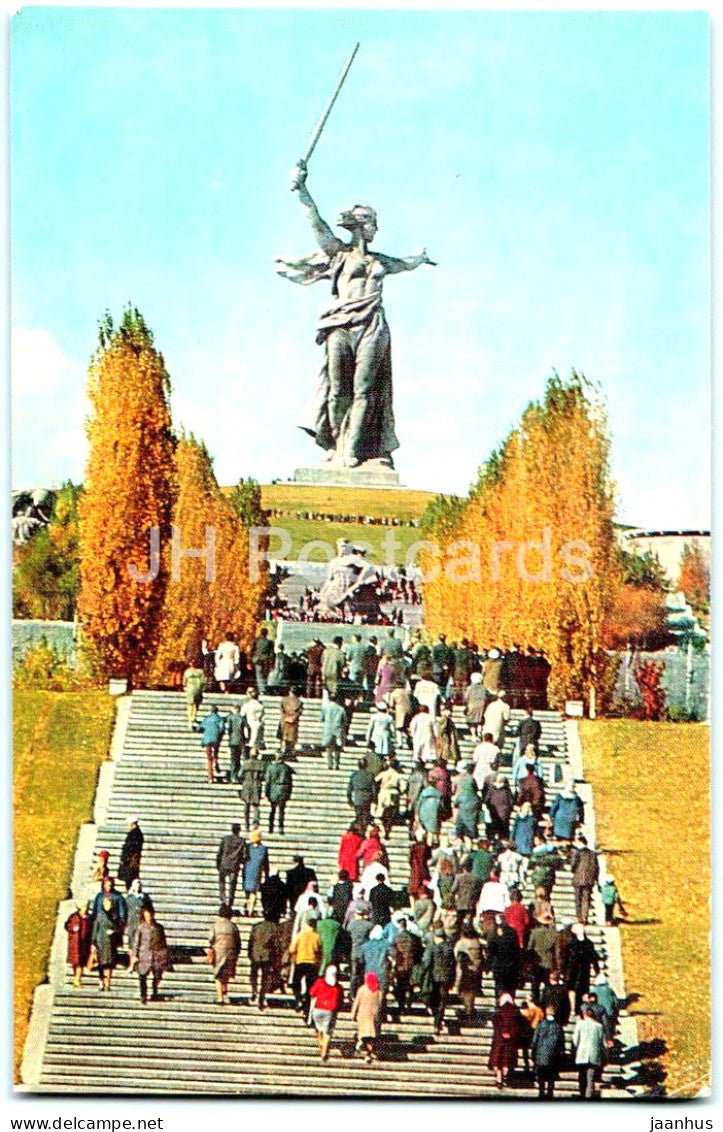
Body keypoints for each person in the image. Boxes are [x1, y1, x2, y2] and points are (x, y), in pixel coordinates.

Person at [129, 905, 170, 1004]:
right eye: (146, 916)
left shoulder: (159, 927)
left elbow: (163, 942)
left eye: (150, 915)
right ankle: (143, 995)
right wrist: (134, 956)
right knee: (142, 976)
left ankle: (155, 992)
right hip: (144, 955)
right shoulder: (140, 927)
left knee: (157, 975)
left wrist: (165, 955)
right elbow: (136, 943)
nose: (148, 917)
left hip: (157, 954)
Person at [91, 881, 126, 993]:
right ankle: (101, 981)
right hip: (100, 941)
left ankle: (108, 983)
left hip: (111, 942)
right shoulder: (99, 915)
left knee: (110, 963)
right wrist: (93, 943)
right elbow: (95, 928)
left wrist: (115, 931)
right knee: (101, 963)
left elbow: (120, 923)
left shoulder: (115, 916)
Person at [309, 965, 344, 1062]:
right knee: (328, 1032)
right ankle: (324, 1050)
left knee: (318, 1028)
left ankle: (321, 1043)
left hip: (317, 1009)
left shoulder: (319, 982)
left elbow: (312, 993)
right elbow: (341, 1001)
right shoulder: (338, 987)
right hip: (330, 1011)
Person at [208, 903, 241, 1005]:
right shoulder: (233, 926)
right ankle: (225, 993)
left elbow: (211, 938)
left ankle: (220, 997)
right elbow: (238, 941)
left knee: (218, 974)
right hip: (231, 952)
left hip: (219, 952)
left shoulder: (215, 925)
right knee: (226, 974)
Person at [572, 1005, 607, 1098]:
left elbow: (575, 1041)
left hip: (582, 1054)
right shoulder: (599, 1026)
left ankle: (582, 1094)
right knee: (590, 1079)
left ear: (584, 1014)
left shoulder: (579, 1024)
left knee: (581, 1076)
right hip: (594, 1055)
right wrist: (604, 1056)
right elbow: (603, 1044)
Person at [288, 918, 322, 1015]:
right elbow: (320, 951)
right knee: (309, 986)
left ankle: (298, 999)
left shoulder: (300, 935)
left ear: (307, 925)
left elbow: (292, 949)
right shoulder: (317, 937)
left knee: (295, 983)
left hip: (300, 961)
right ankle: (306, 1008)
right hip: (312, 963)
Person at [489, 993, 522, 1090]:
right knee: (508, 1060)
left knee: (499, 1061)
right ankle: (508, 1077)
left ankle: (499, 1080)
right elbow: (518, 1026)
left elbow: (495, 1023)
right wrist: (511, 1034)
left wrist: (502, 1032)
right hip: (511, 1041)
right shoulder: (516, 1011)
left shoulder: (498, 1011)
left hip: (499, 1040)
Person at [531, 1006, 566, 1098]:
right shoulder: (558, 1027)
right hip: (553, 1056)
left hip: (541, 1055)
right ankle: (550, 1093)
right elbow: (561, 1043)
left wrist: (534, 1054)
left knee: (541, 1078)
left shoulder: (540, 1025)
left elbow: (534, 1041)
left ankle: (541, 1093)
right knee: (551, 1078)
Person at [427, 928, 456, 1035]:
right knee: (442, 1001)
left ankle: (436, 1020)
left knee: (435, 999)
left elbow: (427, 963)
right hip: (446, 978)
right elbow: (453, 965)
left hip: (434, 978)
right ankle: (438, 1021)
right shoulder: (449, 948)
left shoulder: (433, 948)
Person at [567, 923, 601, 1014]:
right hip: (573, 969)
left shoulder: (588, 943)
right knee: (572, 989)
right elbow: (566, 957)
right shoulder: (571, 943)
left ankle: (583, 1008)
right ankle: (573, 1008)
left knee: (583, 989)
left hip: (583, 969)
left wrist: (597, 971)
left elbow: (593, 957)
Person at [351, 972, 384, 1064]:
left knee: (364, 1036)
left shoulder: (362, 989)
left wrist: (353, 1014)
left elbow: (356, 1002)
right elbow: (380, 1004)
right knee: (370, 1037)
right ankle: (369, 1053)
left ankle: (368, 1053)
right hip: (373, 1017)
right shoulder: (378, 991)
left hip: (363, 1016)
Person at [248, 912, 279, 1010]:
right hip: (267, 956)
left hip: (255, 954)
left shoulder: (256, 926)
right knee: (265, 978)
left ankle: (254, 989)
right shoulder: (274, 927)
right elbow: (276, 944)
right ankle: (261, 997)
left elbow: (251, 940)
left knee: (253, 974)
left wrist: (249, 952)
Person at [390, 917, 422, 1014]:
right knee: (409, 985)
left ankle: (401, 1005)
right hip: (411, 964)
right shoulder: (413, 937)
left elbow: (393, 951)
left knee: (400, 986)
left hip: (400, 965)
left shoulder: (396, 938)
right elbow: (418, 951)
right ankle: (409, 1003)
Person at [454, 924, 483, 1023]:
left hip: (466, 971)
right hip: (477, 970)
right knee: (472, 993)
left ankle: (468, 1012)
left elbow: (457, 958)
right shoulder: (477, 942)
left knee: (465, 993)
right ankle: (470, 1009)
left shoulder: (461, 943)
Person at [216, 823, 246, 909]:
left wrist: (218, 863)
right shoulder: (242, 841)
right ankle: (230, 903)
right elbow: (244, 855)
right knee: (232, 886)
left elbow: (219, 853)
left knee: (222, 882)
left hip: (224, 864)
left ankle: (223, 900)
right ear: (239, 830)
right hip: (234, 866)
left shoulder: (225, 839)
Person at [571, 835, 600, 925]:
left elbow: (573, 865)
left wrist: (573, 871)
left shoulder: (577, 853)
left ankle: (578, 917)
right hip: (589, 880)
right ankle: (584, 917)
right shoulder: (593, 854)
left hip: (578, 879)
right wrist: (595, 878)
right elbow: (597, 867)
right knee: (586, 899)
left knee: (578, 899)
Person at [374, 756, 405, 838]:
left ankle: (383, 829)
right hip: (393, 792)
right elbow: (403, 787)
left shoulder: (384, 773)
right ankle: (388, 828)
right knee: (390, 813)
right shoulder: (398, 775)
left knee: (381, 812)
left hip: (384, 791)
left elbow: (375, 780)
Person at [264, 750, 294, 835]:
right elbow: (290, 782)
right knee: (281, 810)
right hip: (283, 790)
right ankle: (281, 828)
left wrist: (266, 793)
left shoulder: (270, 768)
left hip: (273, 790)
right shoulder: (286, 768)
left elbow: (267, 782)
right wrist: (289, 793)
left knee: (272, 810)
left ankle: (271, 827)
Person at [194, 705, 226, 783]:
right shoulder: (220, 719)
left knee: (209, 759)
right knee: (215, 753)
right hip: (216, 740)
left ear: (210, 711)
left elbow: (199, 728)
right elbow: (222, 728)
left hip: (207, 740)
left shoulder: (206, 719)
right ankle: (216, 762)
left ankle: (210, 777)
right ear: (217, 711)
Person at [243, 828, 270, 917]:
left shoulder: (247, 847)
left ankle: (248, 907)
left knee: (247, 890)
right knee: (253, 892)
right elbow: (266, 863)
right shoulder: (263, 849)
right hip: (257, 871)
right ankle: (251, 910)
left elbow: (244, 858)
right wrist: (266, 874)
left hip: (247, 870)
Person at [65, 901, 93, 987]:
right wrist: (72, 930)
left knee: (80, 963)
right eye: (84, 907)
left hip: (84, 943)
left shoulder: (89, 918)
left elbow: (91, 928)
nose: (86, 908)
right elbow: (66, 926)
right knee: (76, 962)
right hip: (75, 943)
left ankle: (77, 979)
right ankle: (76, 979)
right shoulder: (74, 917)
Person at [238, 751, 265, 833]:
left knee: (246, 805)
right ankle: (256, 824)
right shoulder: (261, 764)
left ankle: (246, 825)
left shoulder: (246, 764)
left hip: (246, 785)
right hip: (256, 785)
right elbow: (263, 776)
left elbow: (239, 775)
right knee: (256, 806)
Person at [347, 758, 376, 830]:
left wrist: (349, 799)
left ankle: (359, 831)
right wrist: (374, 799)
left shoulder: (354, 775)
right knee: (366, 816)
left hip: (358, 798)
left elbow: (349, 789)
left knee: (358, 816)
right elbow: (374, 789)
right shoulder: (370, 775)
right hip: (367, 797)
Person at [117, 816, 144, 891]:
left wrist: (124, 859)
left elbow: (131, 849)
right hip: (131, 860)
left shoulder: (134, 834)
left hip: (130, 861)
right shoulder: (136, 833)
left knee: (129, 878)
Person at [322, 694, 347, 770]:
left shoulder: (325, 708)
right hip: (337, 729)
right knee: (337, 747)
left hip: (328, 729)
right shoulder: (341, 709)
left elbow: (321, 718)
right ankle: (336, 764)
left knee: (328, 747)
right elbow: (345, 720)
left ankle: (330, 764)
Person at [240, 687, 265, 758]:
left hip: (249, 725)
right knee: (256, 742)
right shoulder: (260, 706)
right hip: (258, 724)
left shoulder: (247, 705)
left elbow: (242, 715)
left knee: (250, 742)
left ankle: (248, 756)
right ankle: (255, 755)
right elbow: (263, 718)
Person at [279, 686, 303, 757]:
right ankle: (290, 752)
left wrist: (285, 717)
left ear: (290, 692)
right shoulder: (299, 702)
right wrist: (293, 718)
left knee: (284, 737)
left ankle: (284, 751)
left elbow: (281, 710)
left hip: (285, 721)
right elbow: (299, 712)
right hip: (293, 722)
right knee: (292, 738)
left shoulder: (283, 700)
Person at [225, 703, 246, 783]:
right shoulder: (242, 718)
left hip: (233, 740)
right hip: (240, 741)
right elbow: (246, 729)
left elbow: (229, 729)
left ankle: (233, 776)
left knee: (233, 759)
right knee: (238, 758)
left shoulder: (231, 718)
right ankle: (238, 775)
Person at [251, 627, 275, 694]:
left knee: (259, 675)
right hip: (266, 660)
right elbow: (272, 653)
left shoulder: (256, 641)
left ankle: (262, 690)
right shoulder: (270, 642)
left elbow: (252, 651)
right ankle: (264, 688)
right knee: (265, 675)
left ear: (261, 633)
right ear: (267, 633)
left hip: (258, 660)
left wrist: (251, 659)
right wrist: (272, 662)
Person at [464, 671, 488, 738]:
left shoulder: (469, 688)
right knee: (480, 720)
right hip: (482, 706)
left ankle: (473, 735)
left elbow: (465, 698)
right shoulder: (484, 688)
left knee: (471, 722)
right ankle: (479, 730)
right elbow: (487, 697)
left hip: (471, 706)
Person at [182, 663, 205, 728]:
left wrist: (185, 687)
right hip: (197, 689)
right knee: (196, 704)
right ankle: (193, 717)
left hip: (190, 689)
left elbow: (184, 681)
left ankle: (190, 718)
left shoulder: (187, 671)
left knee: (190, 704)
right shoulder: (200, 672)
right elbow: (203, 681)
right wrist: (202, 689)